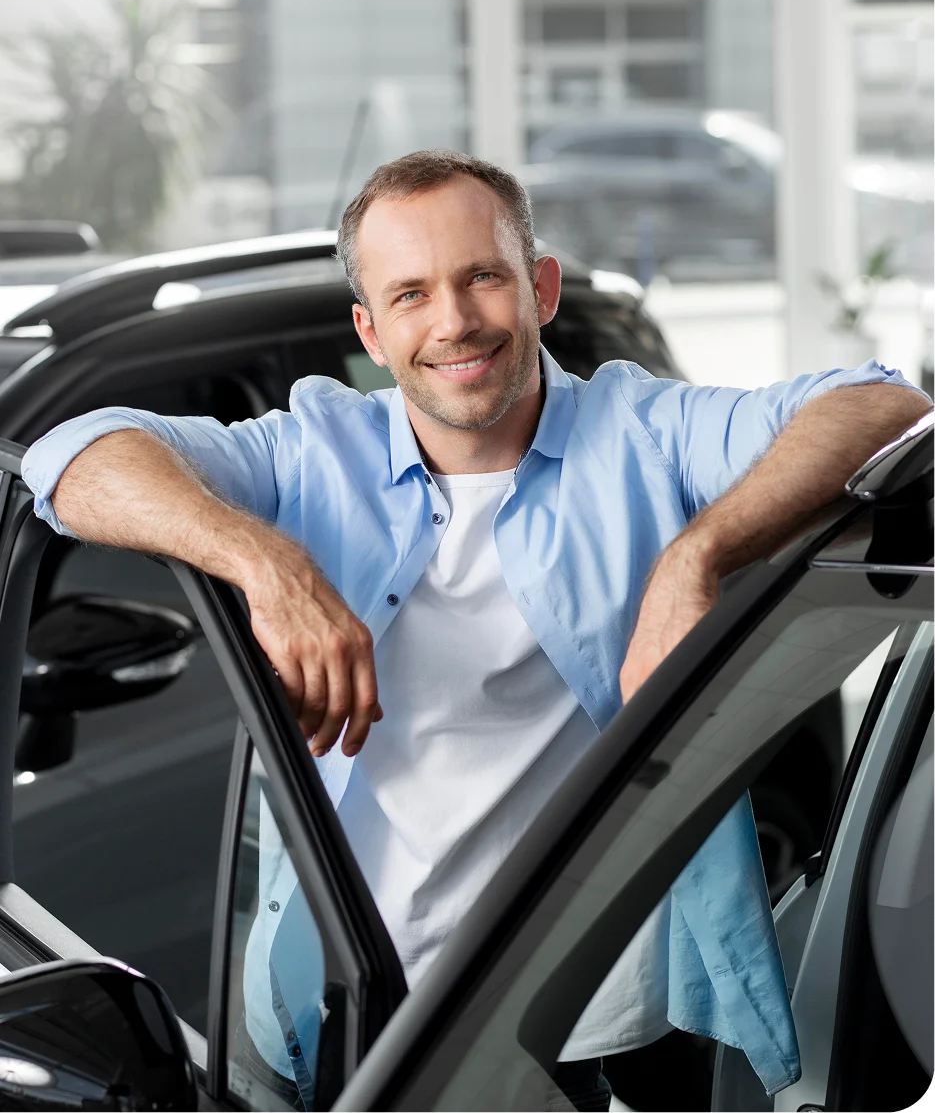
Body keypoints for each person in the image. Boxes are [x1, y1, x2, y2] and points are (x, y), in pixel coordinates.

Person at [21, 151, 930, 1112]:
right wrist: (263, 562)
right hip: (373, 1007)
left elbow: (885, 410)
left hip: (606, 1018)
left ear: (538, 288)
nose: (452, 322)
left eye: (480, 277)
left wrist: (691, 557)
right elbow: (70, 454)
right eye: (409, 294)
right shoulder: (308, 453)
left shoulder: (639, 430)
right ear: (370, 330)